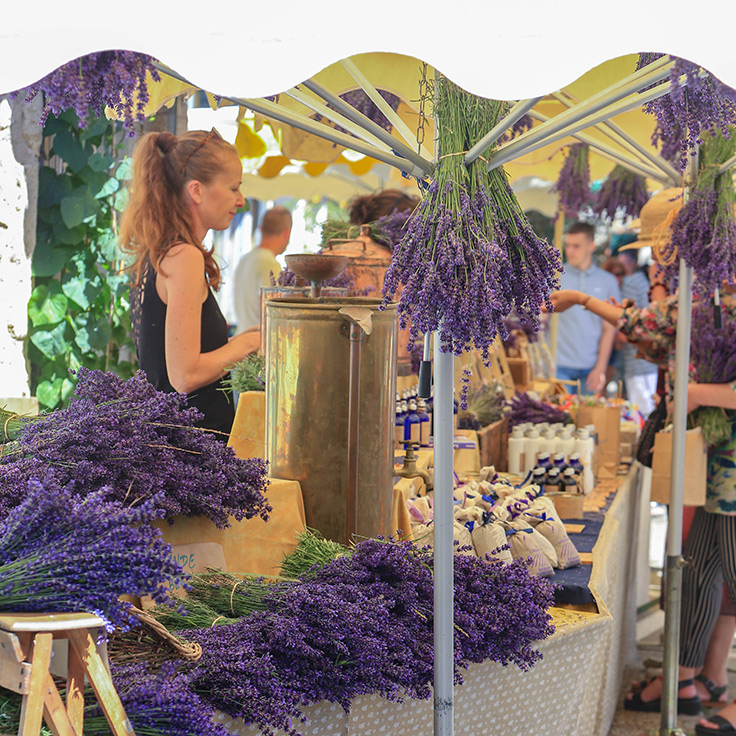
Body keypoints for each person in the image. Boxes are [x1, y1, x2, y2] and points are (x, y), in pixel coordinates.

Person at [549, 285, 736, 734]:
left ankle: (702, 685)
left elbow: (646, 327)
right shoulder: (710, 302)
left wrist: (697, 392)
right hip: (717, 466)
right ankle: (682, 682)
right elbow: (646, 327)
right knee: (698, 573)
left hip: (728, 471)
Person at [121, 129, 260, 436]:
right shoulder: (184, 256)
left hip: (177, 452)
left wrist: (242, 340)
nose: (240, 200)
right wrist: (248, 343)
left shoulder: (161, 252)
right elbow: (184, 375)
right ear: (197, 190)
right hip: (190, 453)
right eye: (234, 188)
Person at [555, 222, 621, 394]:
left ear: (591, 246)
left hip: (590, 367)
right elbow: (541, 322)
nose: (570, 251)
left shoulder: (608, 281)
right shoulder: (554, 276)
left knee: (587, 420)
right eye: (567, 245)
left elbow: (609, 330)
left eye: (576, 246)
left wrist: (601, 368)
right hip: (557, 366)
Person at [615, 242, 659, 417]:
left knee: (643, 416)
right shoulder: (643, 281)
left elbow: (627, 326)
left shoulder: (633, 282)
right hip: (645, 364)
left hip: (641, 366)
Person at [233, 206, 292, 330]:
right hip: (258, 341)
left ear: (261, 229)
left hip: (241, 336)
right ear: (287, 232)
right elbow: (274, 316)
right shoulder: (270, 264)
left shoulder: (245, 259)